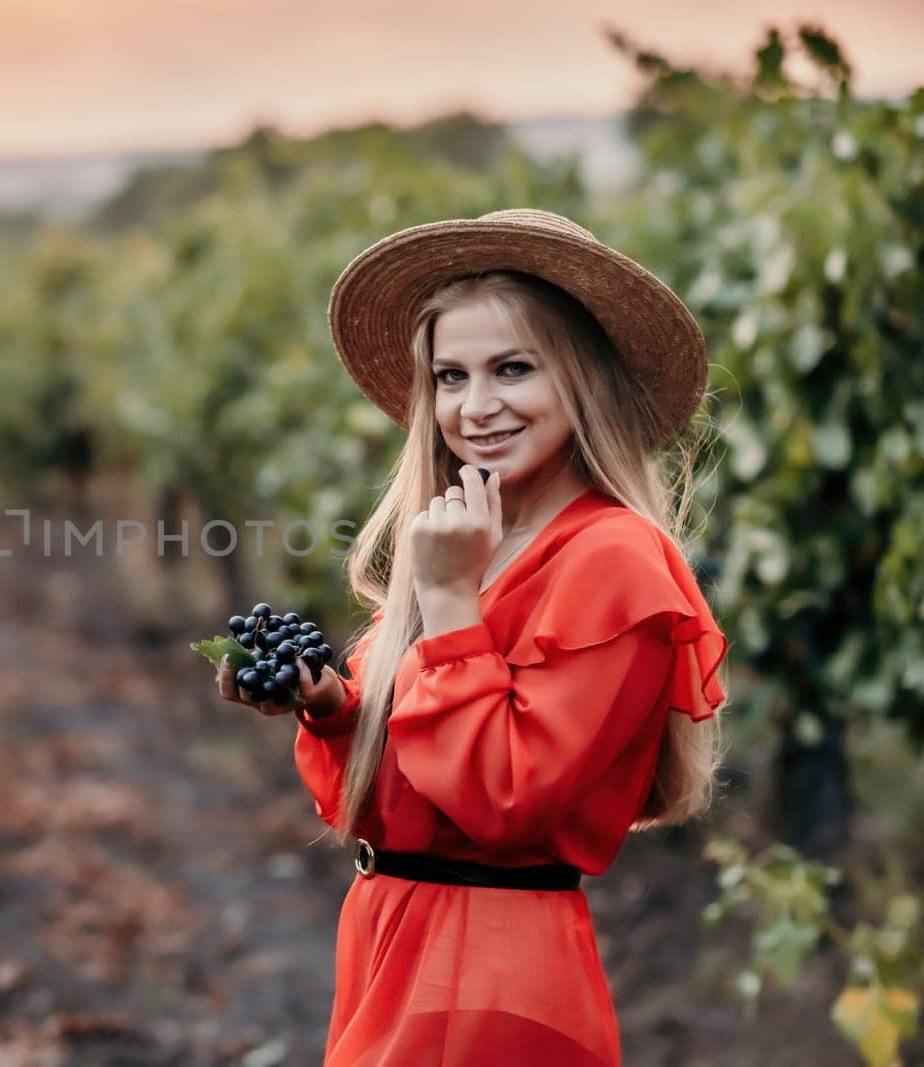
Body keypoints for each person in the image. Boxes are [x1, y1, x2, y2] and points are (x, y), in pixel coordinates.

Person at [214, 209, 729, 1066]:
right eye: (451, 376)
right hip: (397, 944)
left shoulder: (613, 558)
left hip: (490, 973)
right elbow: (388, 804)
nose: (476, 405)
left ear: (582, 380)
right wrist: (336, 711)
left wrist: (450, 598)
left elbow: (502, 801)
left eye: (513, 368)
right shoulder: (467, 532)